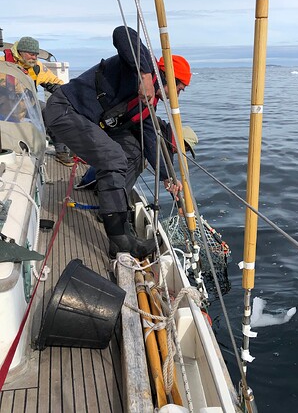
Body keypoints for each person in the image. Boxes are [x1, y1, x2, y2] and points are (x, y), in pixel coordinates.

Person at [44, 26, 192, 259]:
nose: (178, 94)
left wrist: (167, 176)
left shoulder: (147, 106)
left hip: (86, 121)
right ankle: (119, 240)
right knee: (113, 156)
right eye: (179, 87)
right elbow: (122, 32)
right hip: (64, 110)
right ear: (169, 79)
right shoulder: (139, 64)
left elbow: (152, 139)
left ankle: (117, 216)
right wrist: (144, 75)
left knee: (135, 150)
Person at [1, 36, 74, 166]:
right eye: (31, 54)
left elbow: (54, 83)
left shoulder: (37, 67)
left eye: (36, 55)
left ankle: (62, 151)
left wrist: (69, 96)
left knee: (52, 112)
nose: (34, 58)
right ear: (20, 52)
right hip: (5, 107)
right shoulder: (3, 64)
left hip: (29, 105)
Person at [74, 122, 198, 190]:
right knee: (136, 162)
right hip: (118, 140)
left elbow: (166, 167)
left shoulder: (166, 138)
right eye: (186, 148)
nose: (184, 152)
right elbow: (154, 152)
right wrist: (168, 177)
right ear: (180, 140)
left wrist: (179, 202)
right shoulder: (159, 131)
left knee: (135, 162)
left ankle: (103, 190)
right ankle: (114, 210)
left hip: (115, 142)